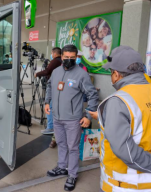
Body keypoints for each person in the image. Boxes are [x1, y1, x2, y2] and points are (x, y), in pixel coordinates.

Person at [93, 46, 151, 192]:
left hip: (126, 186)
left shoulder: (118, 101)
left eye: (111, 73)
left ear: (116, 74)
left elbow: (125, 150)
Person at [45, 44, 99, 191]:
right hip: (57, 117)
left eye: (72, 58)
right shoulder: (56, 72)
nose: (68, 60)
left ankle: (73, 174)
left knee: (73, 148)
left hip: (73, 119)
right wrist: (46, 102)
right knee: (61, 144)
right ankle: (62, 167)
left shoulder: (81, 74)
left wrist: (88, 115)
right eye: (66, 57)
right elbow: (49, 86)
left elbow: (93, 95)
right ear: (61, 57)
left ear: (76, 58)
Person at [35, 47, 62, 135]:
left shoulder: (55, 61)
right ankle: (53, 126)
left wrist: (37, 74)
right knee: (52, 106)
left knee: (49, 106)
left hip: (53, 85)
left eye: (51, 53)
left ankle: (50, 127)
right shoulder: (60, 61)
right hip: (57, 86)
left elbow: (47, 71)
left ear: (54, 53)